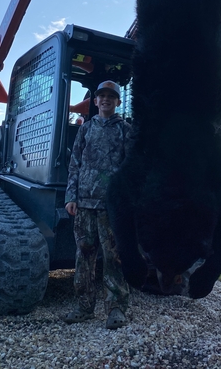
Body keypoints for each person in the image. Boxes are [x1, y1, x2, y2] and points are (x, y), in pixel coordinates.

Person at [64, 80, 131, 329]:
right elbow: (75, 165)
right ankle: (84, 307)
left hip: (111, 206)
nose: (105, 100)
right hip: (84, 205)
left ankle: (116, 309)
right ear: (95, 102)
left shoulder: (124, 130)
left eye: (110, 97)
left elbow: (131, 169)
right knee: (84, 257)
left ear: (117, 102)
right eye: (101, 96)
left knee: (114, 258)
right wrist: (71, 197)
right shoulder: (86, 129)